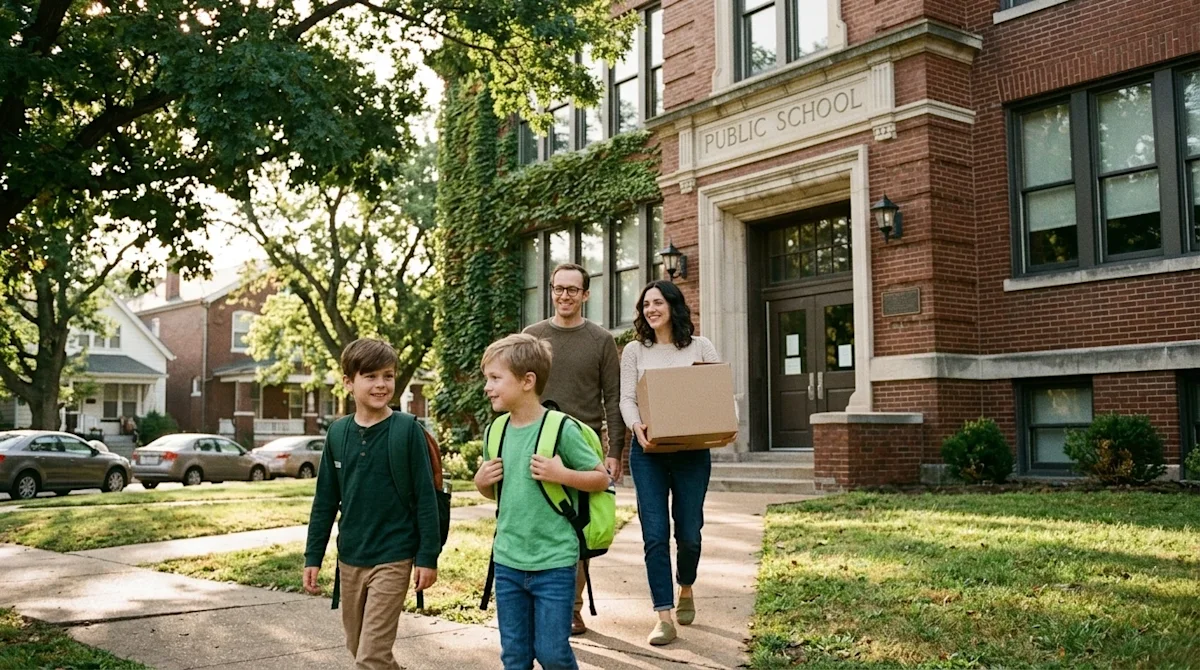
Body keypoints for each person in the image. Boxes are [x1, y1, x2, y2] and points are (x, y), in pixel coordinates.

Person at [474, 334, 611, 670]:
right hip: (508, 560)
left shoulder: (560, 429)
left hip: (554, 561)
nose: (487, 387)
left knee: (552, 653)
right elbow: (500, 492)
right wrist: (480, 483)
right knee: (515, 656)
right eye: (486, 379)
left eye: (495, 378)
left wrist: (561, 473)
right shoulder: (496, 431)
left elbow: (601, 478)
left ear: (527, 381)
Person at [303, 338, 441, 670]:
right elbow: (325, 501)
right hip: (351, 555)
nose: (381, 384)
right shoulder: (337, 434)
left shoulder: (407, 430)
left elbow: (426, 498)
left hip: (394, 554)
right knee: (357, 645)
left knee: (370, 657)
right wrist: (313, 555)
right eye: (371, 376)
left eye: (388, 376)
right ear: (349, 382)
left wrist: (427, 557)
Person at [618, 280, 724, 646]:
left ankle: (687, 586)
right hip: (648, 453)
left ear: (673, 306)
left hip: (692, 454)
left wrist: (727, 424)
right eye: (645, 304)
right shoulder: (634, 351)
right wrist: (636, 427)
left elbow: (717, 393)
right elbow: (626, 399)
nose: (650, 309)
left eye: (657, 302)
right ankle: (662, 615)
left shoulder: (701, 347)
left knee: (690, 532)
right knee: (654, 534)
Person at [522, 262, 623, 636]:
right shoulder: (532, 337)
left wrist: (614, 453)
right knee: (534, 524)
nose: (564, 295)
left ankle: (571, 608)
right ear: (551, 291)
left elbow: (612, 398)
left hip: (581, 444)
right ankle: (533, 602)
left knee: (576, 531)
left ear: (586, 294)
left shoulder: (600, 340)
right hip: (536, 440)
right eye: (558, 288)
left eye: (572, 289)